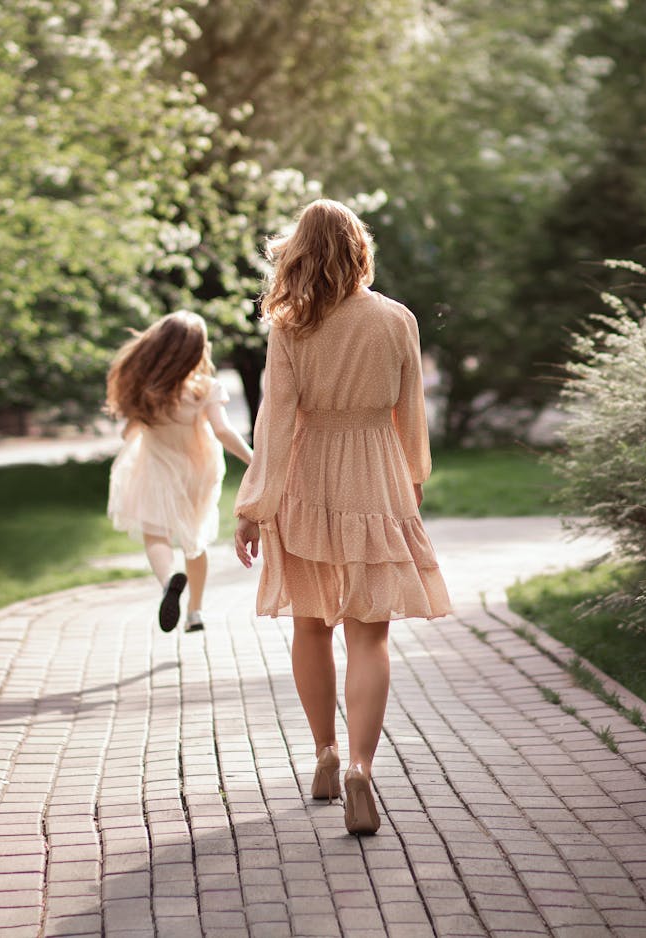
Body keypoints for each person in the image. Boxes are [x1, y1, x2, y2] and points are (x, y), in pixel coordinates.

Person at [233, 199, 451, 835]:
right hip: (376, 473)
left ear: (299, 252)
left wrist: (254, 507)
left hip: (306, 477)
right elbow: (411, 412)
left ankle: (325, 754)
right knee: (370, 632)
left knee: (310, 625)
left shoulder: (291, 324)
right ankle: (361, 765)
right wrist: (411, 480)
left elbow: (274, 419)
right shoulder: (397, 319)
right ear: (360, 249)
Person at [106, 310, 252, 632]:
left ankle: (168, 580)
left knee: (155, 532)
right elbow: (224, 431)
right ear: (197, 350)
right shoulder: (204, 388)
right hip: (198, 472)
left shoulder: (147, 390)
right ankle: (195, 613)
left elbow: (128, 432)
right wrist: (253, 460)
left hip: (157, 467)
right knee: (194, 539)